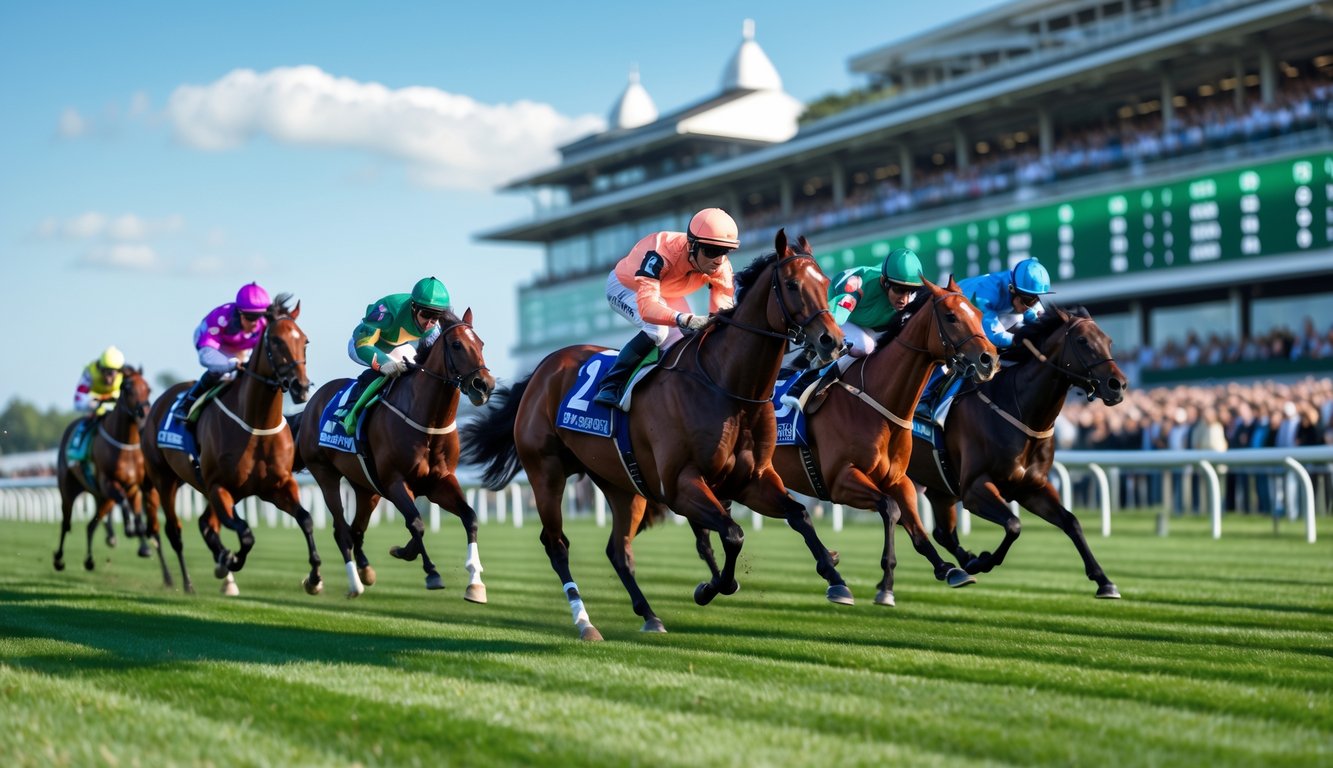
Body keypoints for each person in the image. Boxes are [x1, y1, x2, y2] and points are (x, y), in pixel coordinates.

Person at [592, 208, 739, 409]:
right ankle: (611, 383)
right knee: (657, 331)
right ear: (692, 245)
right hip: (627, 286)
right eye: (711, 251)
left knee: (686, 341)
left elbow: (719, 317)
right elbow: (647, 308)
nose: (719, 260)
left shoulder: (721, 268)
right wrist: (684, 319)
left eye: (724, 251)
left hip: (667, 291)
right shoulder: (661, 253)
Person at [920, 257, 1055, 422]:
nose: (1032, 304)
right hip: (961, 316)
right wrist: (1022, 339)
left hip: (995, 314)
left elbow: (1038, 321)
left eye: (1036, 299)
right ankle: (925, 397)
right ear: (1012, 289)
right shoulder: (987, 293)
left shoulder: (1024, 292)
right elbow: (994, 336)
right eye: (1028, 300)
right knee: (955, 356)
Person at [339, 276, 451, 431]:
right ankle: (348, 410)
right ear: (414, 307)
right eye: (425, 314)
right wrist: (384, 363)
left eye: (436, 317)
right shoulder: (388, 309)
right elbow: (362, 345)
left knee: (415, 371)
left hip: (397, 345)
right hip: (364, 344)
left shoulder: (434, 328)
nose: (429, 323)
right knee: (385, 372)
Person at [178, 282, 271, 417]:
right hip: (213, 344)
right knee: (221, 372)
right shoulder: (220, 318)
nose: (255, 323)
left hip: (240, 347)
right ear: (239, 313)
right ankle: (188, 402)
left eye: (259, 316)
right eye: (250, 317)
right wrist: (231, 364)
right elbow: (206, 356)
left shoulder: (264, 323)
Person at [824, 247, 924, 370]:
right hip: (844, 320)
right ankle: (822, 374)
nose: (905, 299)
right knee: (865, 346)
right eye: (899, 290)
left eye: (911, 291)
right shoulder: (858, 287)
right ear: (884, 282)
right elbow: (833, 319)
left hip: (874, 327)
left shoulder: (911, 293)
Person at [68, 346, 126, 460]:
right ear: (100, 368)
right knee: (85, 423)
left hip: (117, 406)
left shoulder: (125, 374)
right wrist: (91, 404)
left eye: (113, 373)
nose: (109, 378)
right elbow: (78, 401)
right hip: (95, 406)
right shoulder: (90, 373)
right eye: (106, 372)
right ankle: (76, 450)